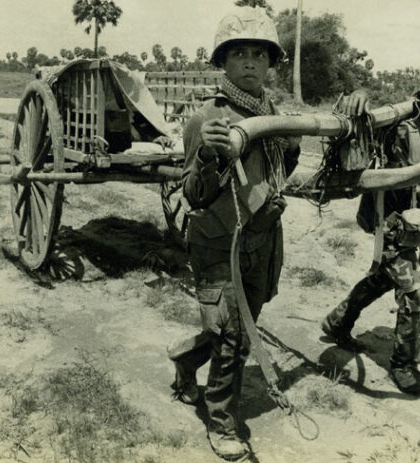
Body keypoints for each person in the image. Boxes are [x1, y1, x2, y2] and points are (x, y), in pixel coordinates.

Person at [166, 7, 300, 461]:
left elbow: (279, 170)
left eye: (259, 54)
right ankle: (221, 421)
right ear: (223, 60)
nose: (249, 62)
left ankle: (186, 358)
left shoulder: (275, 113)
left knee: (240, 326)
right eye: (239, 53)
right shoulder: (207, 116)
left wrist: (293, 147)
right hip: (220, 240)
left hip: (263, 237)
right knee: (234, 338)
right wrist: (209, 155)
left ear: (270, 63)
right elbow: (193, 193)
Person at [321, 66, 420, 396]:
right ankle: (404, 365)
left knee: (381, 279)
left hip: (414, 228)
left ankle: (336, 323)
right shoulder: (402, 130)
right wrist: (360, 97)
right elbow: (371, 127)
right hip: (390, 224)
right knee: (414, 292)